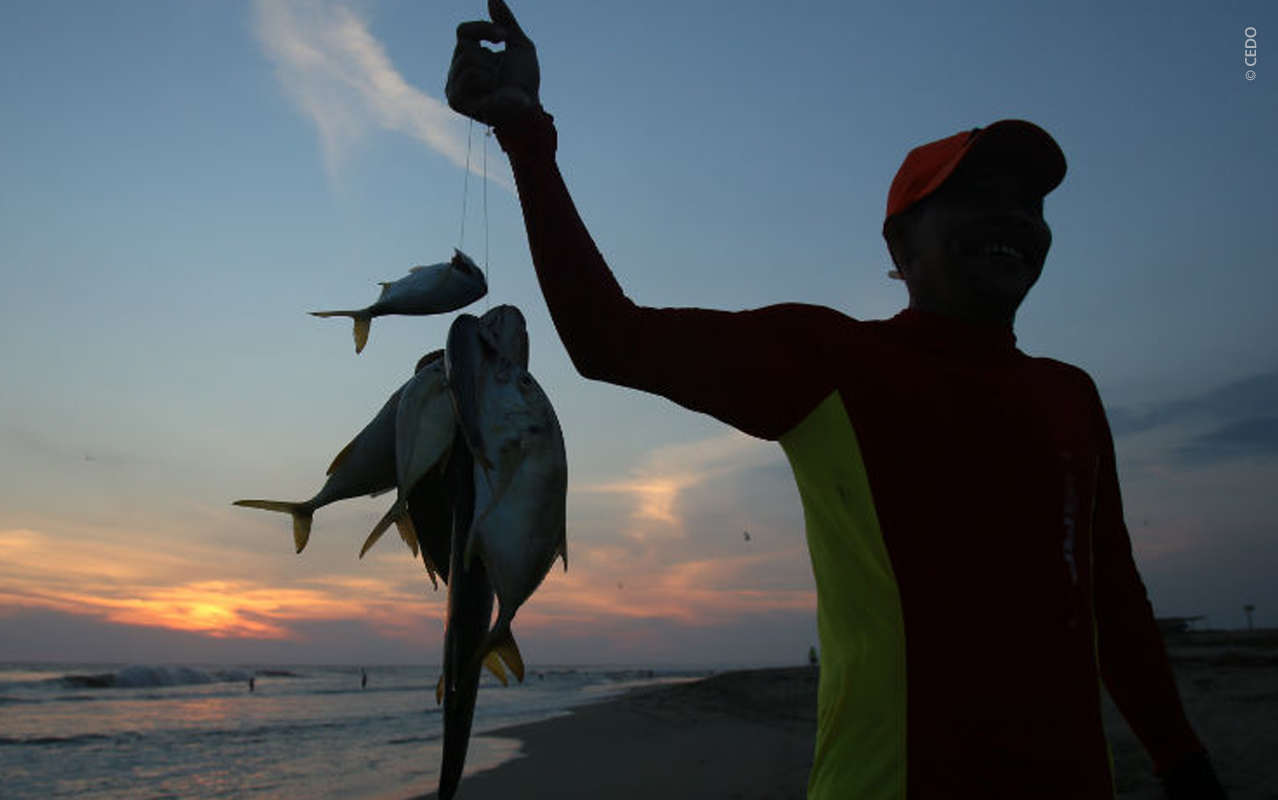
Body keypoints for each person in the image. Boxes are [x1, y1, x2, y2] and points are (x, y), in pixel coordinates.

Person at [446, 3, 1228, 798]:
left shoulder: (1069, 396)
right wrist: (525, 135)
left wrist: (1182, 762)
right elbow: (607, 339)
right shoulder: (828, 360)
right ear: (900, 242)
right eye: (978, 196)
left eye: (1030, 204)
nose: (1013, 218)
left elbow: (1111, 597)